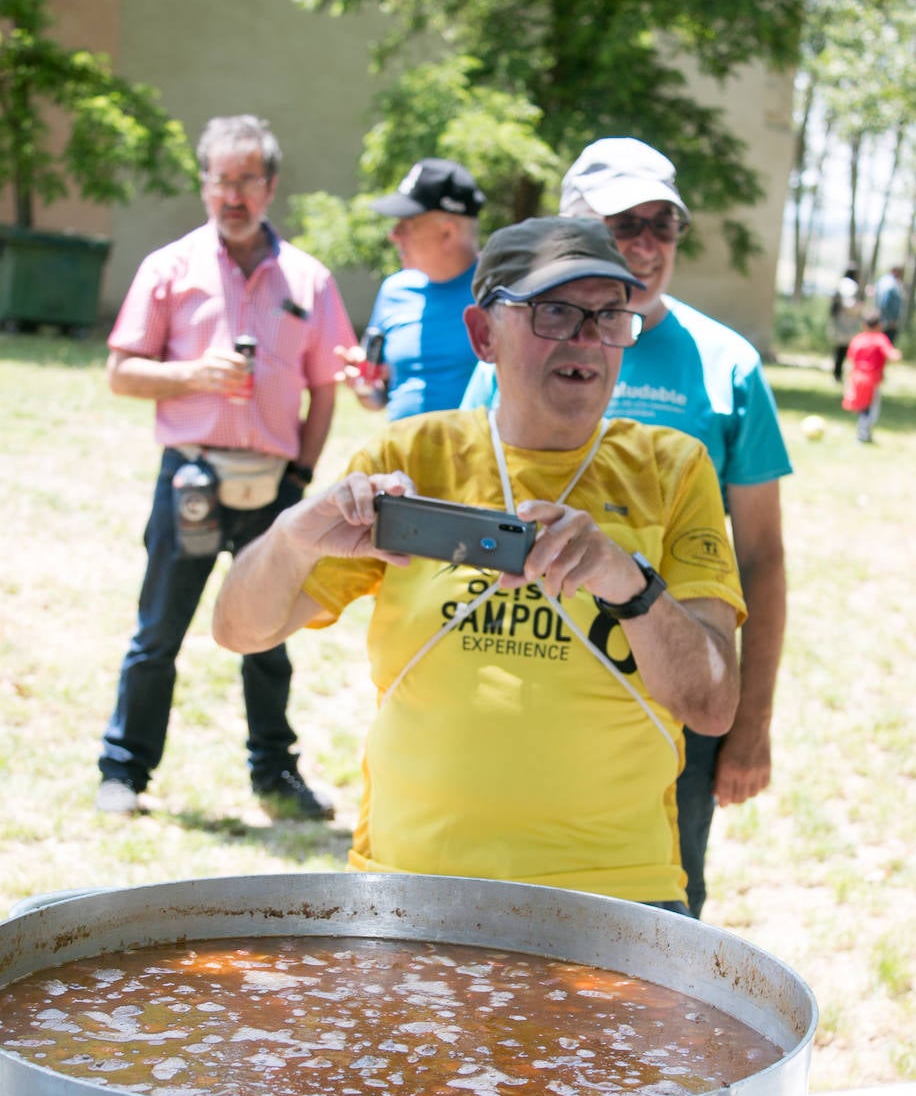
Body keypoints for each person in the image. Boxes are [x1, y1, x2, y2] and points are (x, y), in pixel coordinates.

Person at [213, 216, 745, 912]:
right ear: (483, 333)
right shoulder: (412, 459)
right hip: (409, 888)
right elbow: (239, 630)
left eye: (611, 315)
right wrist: (291, 537)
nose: (587, 337)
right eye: (556, 311)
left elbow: (711, 705)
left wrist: (628, 583)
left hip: (617, 898)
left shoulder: (673, 468)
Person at [462, 138, 790, 918]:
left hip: (676, 688)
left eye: (661, 226)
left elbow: (763, 560)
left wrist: (750, 725)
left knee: (660, 920)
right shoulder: (512, 346)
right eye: (621, 225)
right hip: (525, 679)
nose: (643, 246)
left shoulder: (726, 363)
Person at [95, 114, 357, 818]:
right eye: (220, 179)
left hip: (274, 484)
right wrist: (192, 376)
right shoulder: (169, 269)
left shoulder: (308, 277)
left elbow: (324, 388)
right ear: (204, 184)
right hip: (191, 480)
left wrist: (302, 477)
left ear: (270, 186)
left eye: (247, 180)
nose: (232, 195)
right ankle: (123, 771)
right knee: (159, 633)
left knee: (268, 639)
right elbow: (121, 373)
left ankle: (274, 774)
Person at [335, 158, 485, 420]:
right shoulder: (395, 290)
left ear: (447, 232)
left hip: (478, 459)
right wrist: (363, 385)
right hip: (403, 458)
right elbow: (380, 397)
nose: (393, 235)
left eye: (406, 224)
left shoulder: (499, 290)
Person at [841, 309, 902, 443]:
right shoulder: (880, 338)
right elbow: (892, 355)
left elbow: (850, 361)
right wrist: (898, 354)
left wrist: (847, 381)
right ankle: (863, 435)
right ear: (879, 325)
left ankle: (864, 433)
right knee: (870, 409)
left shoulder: (857, 339)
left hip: (856, 378)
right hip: (871, 380)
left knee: (863, 407)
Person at [828, 269, 864, 383]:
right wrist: (858, 309)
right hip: (845, 323)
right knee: (843, 350)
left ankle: (839, 374)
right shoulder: (849, 284)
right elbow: (849, 303)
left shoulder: (842, 283)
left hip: (842, 321)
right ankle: (838, 374)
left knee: (841, 350)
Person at [874, 265, 905, 344]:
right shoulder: (891, 284)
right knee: (886, 345)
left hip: (881, 318)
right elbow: (884, 302)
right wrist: (890, 319)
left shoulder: (882, 281)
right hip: (887, 321)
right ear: (895, 271)